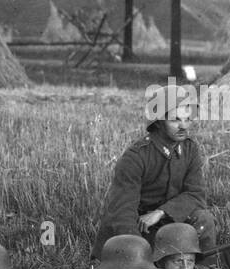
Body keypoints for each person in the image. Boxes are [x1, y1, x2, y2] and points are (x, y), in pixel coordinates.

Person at [92, 82, 217, 259]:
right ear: (158, 121)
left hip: (168, 222)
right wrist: (138, 252)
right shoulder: (136, 157)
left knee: (203, 219)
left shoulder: (190, 150)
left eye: (187, 119)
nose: (183, 126)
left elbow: (196, 194)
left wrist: (160, 213)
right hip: (138, 229)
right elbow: (122, 214)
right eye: (175, 119)